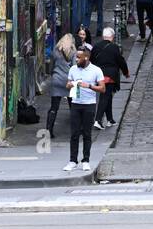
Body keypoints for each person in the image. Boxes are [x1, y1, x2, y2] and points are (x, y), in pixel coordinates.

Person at [64, 44, 105, 173]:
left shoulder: (96, 70)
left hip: (89, 104)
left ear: (86, 58)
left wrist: (89, 86)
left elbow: (102, 88)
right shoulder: (73, 69)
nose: (76, 59)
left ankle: (86, 160)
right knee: (74, 133)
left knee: (87, 133)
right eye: (76, 57)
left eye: (79, 57)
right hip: (76, 103)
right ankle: (72, 161)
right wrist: (70, 85)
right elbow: (67, 84)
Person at [91, 28, 129, 129]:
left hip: (99, 75)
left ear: (103, 36)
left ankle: (110, 119)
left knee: (108, 97)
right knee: (105, 97)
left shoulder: (96, 46)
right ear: (112, 37)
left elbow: (92, 60)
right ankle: (98, 120)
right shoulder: (114, 47)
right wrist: (126, 72)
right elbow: (120, 61)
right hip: (110, 76)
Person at [46, 32, 76, 138]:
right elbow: (75, 67)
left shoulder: (56, 50)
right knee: (73, 107)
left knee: (54, 107)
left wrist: (52, 74)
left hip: (56, 79)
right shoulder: (73, 51)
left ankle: (49, 130)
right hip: (69, 81)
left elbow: (52, 65)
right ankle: (75, 130)